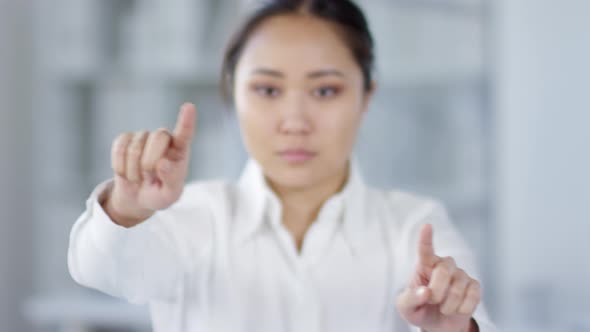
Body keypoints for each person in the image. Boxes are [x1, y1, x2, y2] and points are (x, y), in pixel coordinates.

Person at [67, 1, 496, 331]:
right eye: (268, 90)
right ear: (232, 96)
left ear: (367, 96)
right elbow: (99, 268)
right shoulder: (190, 217)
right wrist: (125, 207)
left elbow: (475, 320)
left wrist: (453, 328)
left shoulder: (415, 226)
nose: (295, 122)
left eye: (325, 91)